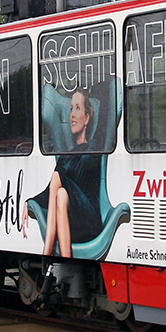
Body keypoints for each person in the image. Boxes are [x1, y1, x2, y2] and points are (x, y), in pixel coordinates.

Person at [37, 87, 104, 257]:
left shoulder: (94, 148)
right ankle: (66, 260)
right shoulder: (68, 154)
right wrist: (29, 202)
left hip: (89, 221)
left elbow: (64, 178)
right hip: (72, 220)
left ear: (87, 118)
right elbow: (50, 191)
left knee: (57, 179)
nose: (72, 115)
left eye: (78, 108)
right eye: (71, 109)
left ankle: (47, 250)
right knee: (60, 194)